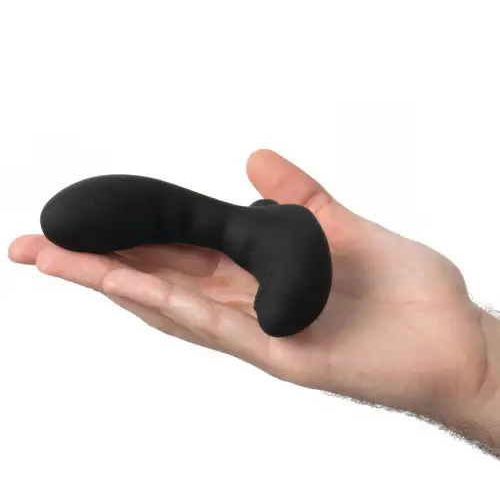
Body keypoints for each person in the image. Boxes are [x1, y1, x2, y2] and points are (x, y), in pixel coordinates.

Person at [8, 149, 500, 457]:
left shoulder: (291, 245)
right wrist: (480, 379)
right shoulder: (290, 234)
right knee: (69, 220)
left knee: (282, 305)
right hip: (278, 230)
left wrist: (481, 377)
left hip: (279, 234)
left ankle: (264, 225)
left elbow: (284, 311)